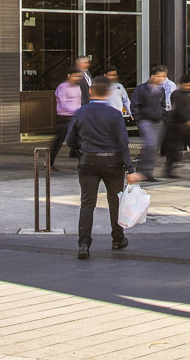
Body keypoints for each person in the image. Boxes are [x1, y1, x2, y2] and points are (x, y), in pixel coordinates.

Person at [65, 76, 139, 260]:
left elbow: (69, 140)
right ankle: (117, 238)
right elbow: (123, 143)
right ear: (108, 93)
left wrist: (82, 146)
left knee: (87, 202)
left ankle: (84, 244)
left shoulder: (81, 112)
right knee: (115, 201)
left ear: (90, 91)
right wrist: (130, 169)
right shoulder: (115, 114)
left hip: (88, 160)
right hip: (113, 162)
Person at [131, 66, 169, 180]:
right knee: (151, 144)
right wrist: (137, 117)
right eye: (159, 76)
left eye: (163, 76)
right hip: (145, 120)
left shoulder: (161, 89)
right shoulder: (141, 89)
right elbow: (134, 104)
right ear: (152, 76)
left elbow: (163, 104)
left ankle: (147, 172)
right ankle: (141, 167)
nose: (161, 79)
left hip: (158, 120)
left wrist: (163, 116)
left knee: (154, 147)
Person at [163, 76, 190, 179]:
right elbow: (180, 110)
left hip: (187, 127)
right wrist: (189, 120)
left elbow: (188, 109)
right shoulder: (177, 95)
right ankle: (168, 170)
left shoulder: (186, 95)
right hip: (179, 127)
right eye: (188, 84)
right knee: (176, 149)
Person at [51, 69, 85, 172]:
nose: (77, 79)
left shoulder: (78, 87)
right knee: (59, 140)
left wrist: (80, 111)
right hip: (64, 117)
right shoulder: (62, 87)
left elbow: (79, 101)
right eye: (75, 76)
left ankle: (83, 162)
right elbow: (63, 103)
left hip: (75, 117)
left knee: (80, 138)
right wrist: (76, 111)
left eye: (79, 77)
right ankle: (49, 162)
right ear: (69, 75)